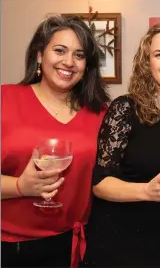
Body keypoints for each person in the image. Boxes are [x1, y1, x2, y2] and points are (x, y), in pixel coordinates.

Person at [81, 22, 160, 267]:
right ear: (146, 64)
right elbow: (100, 184)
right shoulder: (125, 109)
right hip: (119, 239)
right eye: (159, 55)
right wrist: (146, 192)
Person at [1, 15, 109, 267]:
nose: (69, 62)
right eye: (60, 50)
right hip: (9, 246)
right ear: (39, 55)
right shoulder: (5, 99)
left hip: (74, 247)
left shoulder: (100, 114)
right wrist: (20, 186)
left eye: (79, 55)